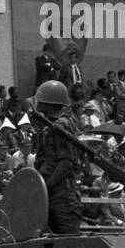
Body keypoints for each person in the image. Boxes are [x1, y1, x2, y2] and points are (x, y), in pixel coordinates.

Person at [31, 80, 85, 235]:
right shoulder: (49, 126)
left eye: (41, 102)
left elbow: (66, 162)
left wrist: (46, 186)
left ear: (49, 103)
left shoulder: (60, 126)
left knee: (68, 241)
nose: (38, 105)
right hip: (52, 191)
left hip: (62, 193)